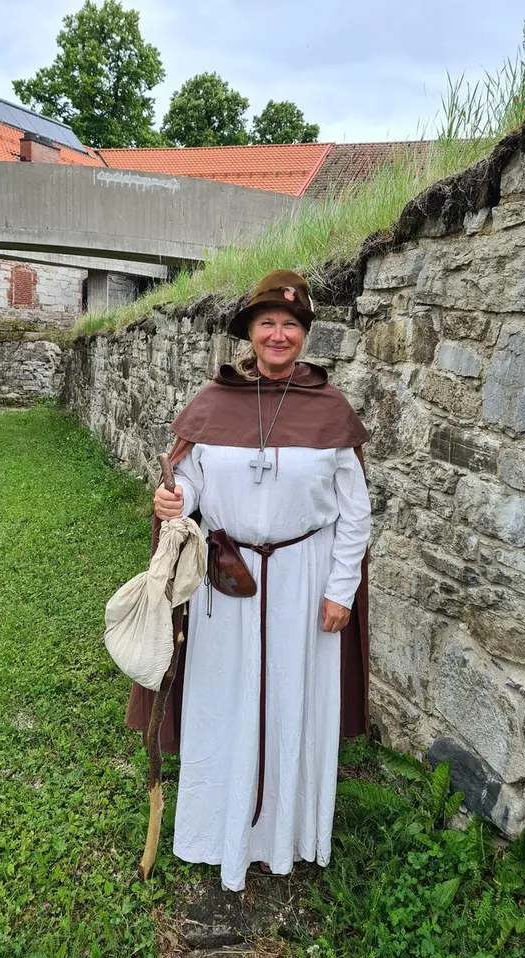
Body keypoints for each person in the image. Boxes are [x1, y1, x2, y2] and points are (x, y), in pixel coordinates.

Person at [126, 269, 371, 891]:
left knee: (293, 697)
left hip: (303, 579)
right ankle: (217, 828)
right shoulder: (212, 404)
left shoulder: (331, 410)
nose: (279, 333)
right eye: (268, 323)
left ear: (305, 334)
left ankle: (283, 837)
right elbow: (194, 488)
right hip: (226, 580)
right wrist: (172, 501)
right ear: (250, 331)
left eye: (291, 324)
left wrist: (340, 590)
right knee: (225, 698)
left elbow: (354, 512)